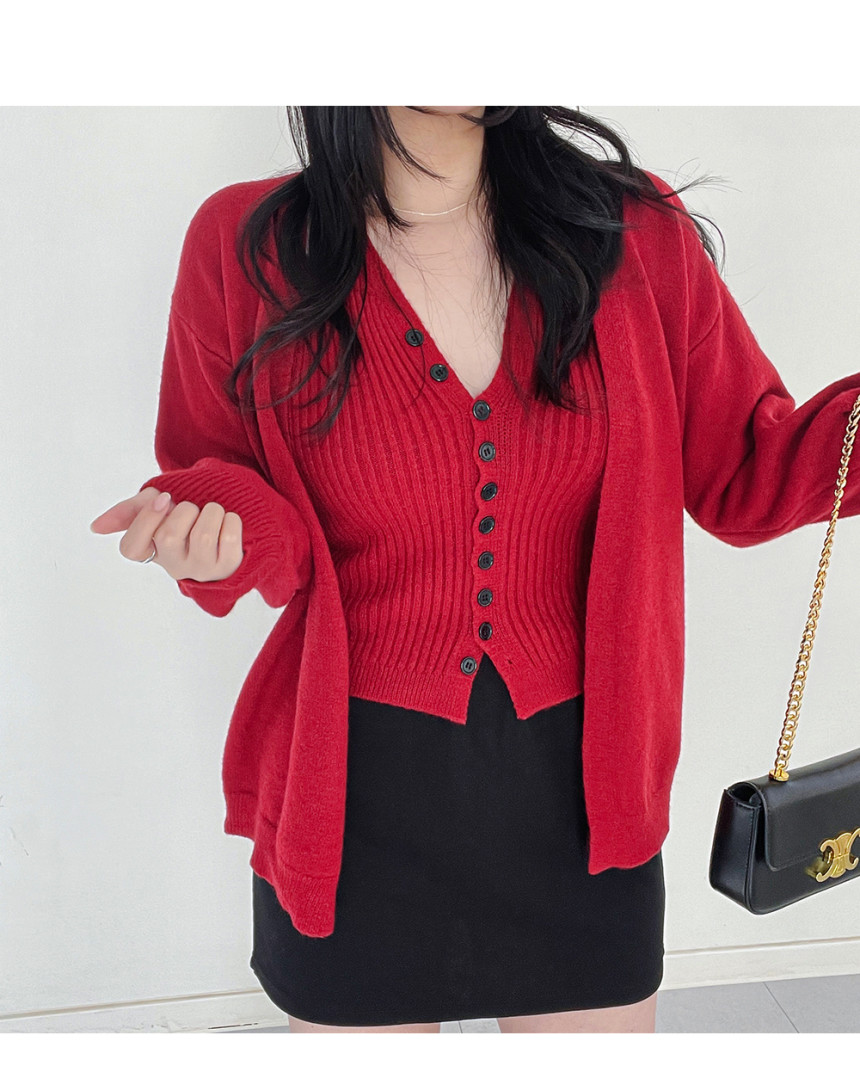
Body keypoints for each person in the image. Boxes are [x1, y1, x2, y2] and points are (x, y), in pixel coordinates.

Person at [90, 107, 860, 1033]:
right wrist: (214, 536)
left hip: (587, 812)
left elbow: (749, 472)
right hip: (351, 815)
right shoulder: (248, 244)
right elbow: (229, 492)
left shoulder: (629, 233)